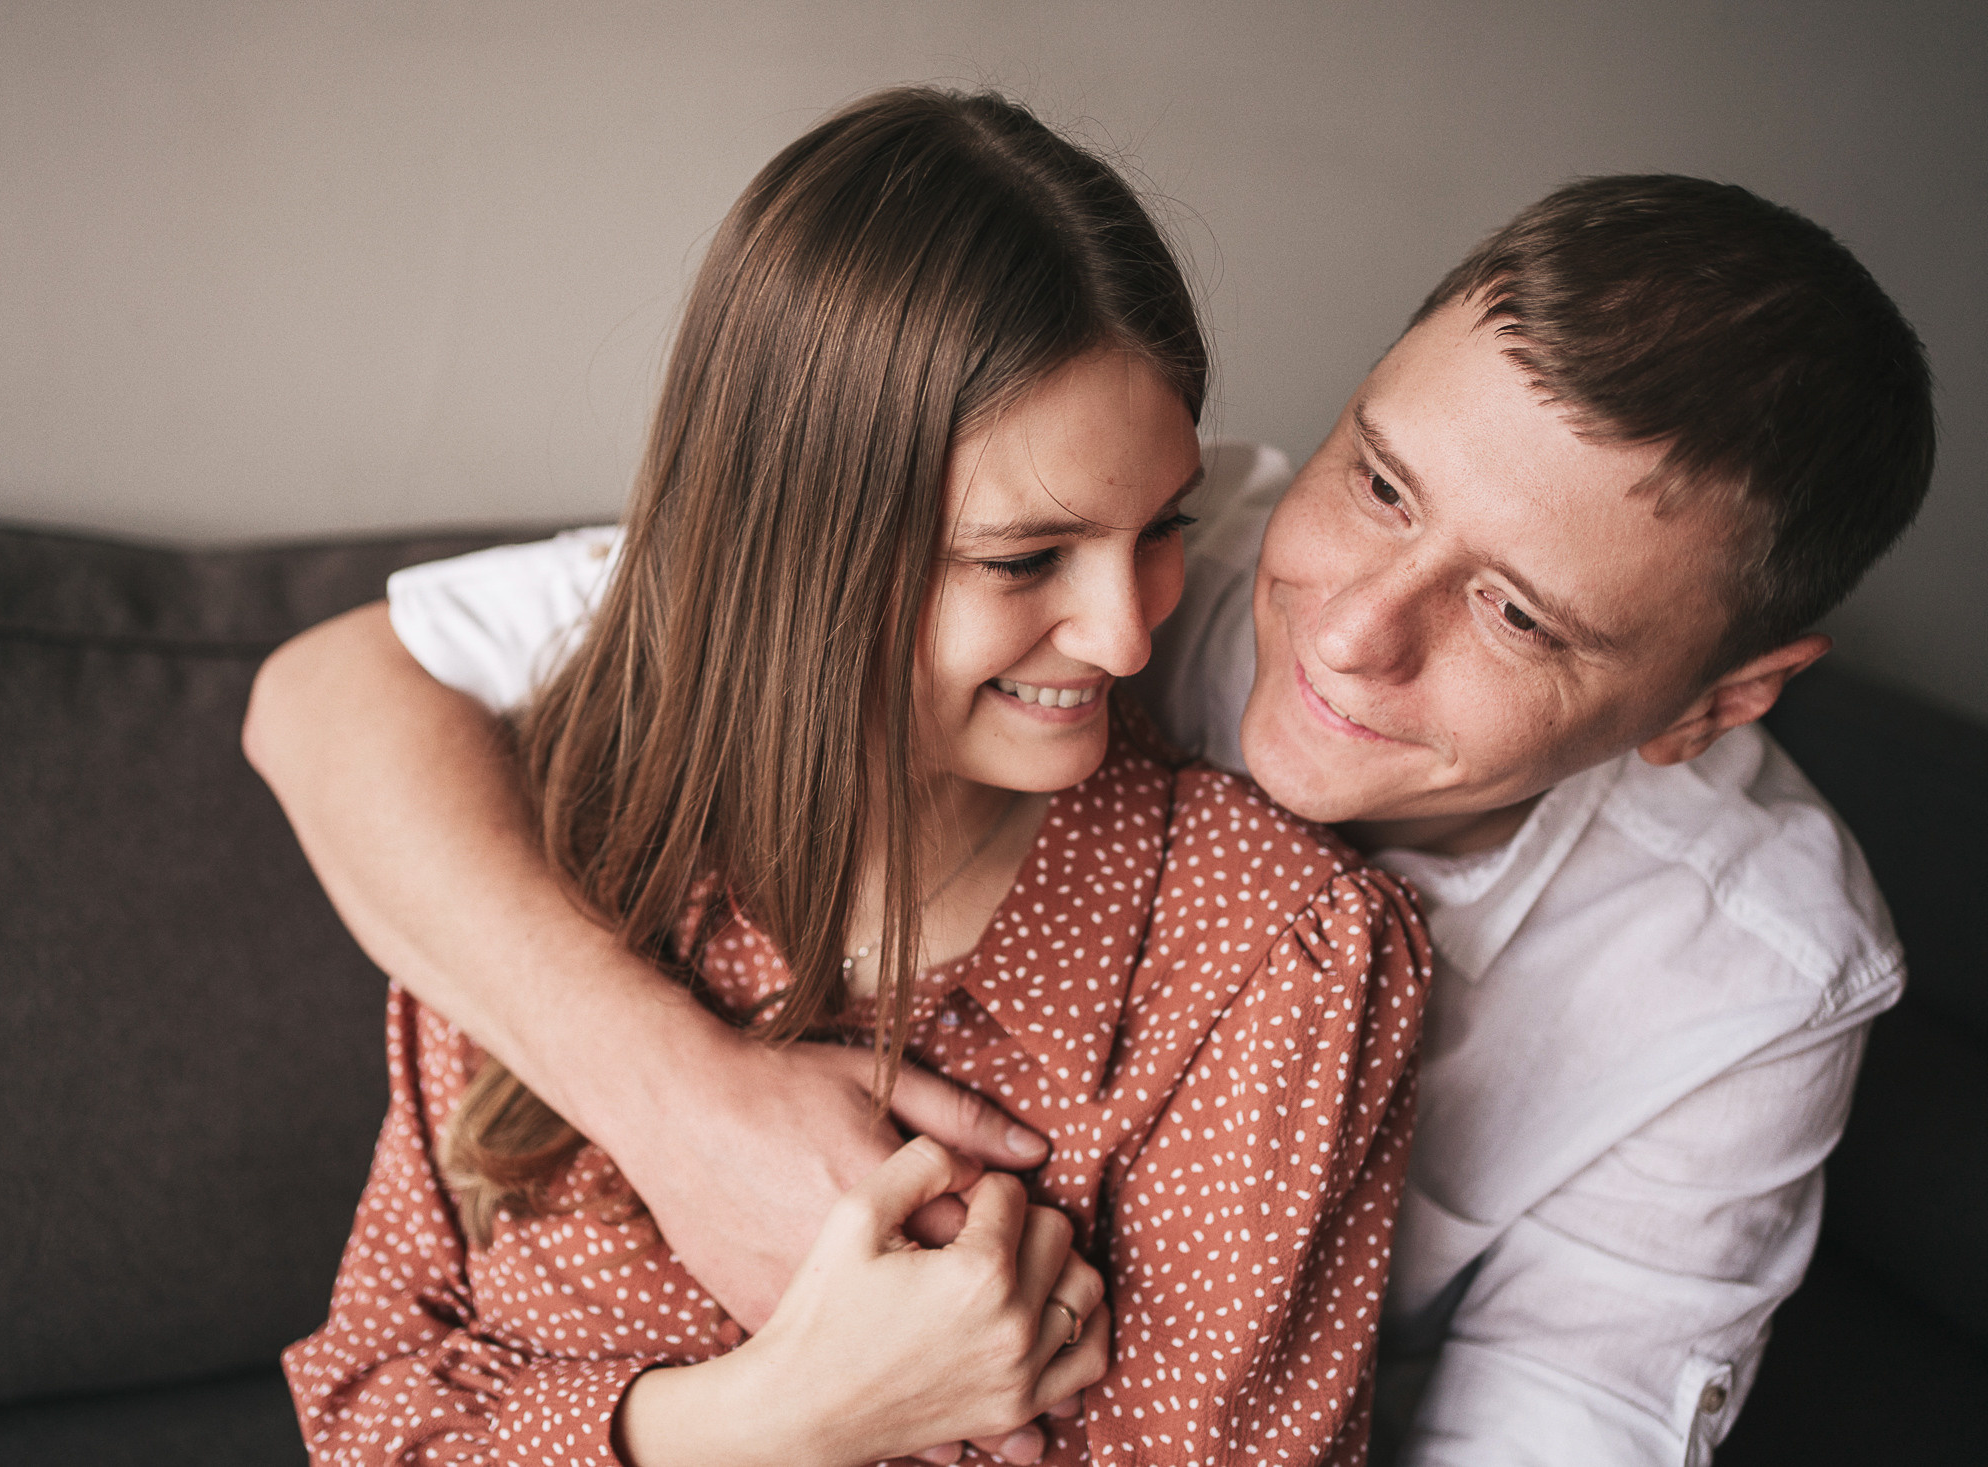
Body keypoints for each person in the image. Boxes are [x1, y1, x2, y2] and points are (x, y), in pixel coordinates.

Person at [247, 148, 1936, 1465]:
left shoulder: (1744, 980)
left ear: (1719, 700)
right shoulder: (1073, 508)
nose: (1342, 630)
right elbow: (334, 696)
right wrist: (687, 1110)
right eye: (1380, 480)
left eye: (1515, 615)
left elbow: (1566, 1421)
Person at [274, 87, 1428, 1467]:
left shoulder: (1266, 963)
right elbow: (366, 1416)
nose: (1128, 634)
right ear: (799, 550)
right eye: (1023, 559)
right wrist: (763, 1424)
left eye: (1163, 526)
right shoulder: (544, 844)